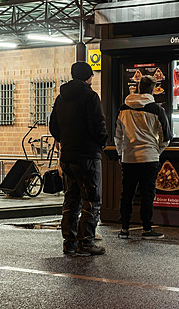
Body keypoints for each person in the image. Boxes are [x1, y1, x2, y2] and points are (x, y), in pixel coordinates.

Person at [49, 62, 108, 256]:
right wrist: (100, 144)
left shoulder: (61, 98)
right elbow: (98, 125)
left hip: (67, 156)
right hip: (88, 155)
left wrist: (64, 141)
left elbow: (53, 126)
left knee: (71, 199)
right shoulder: (90, 96)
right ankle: (86, 242)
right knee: (91, 200)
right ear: (88, 77)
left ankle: (69, 242)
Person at [115, 75, 172, 239]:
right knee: (147, 194)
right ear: (152, 90)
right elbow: (166, 137)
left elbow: (117, 136)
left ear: (138, 87)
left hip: (129, 158)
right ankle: (147, 228)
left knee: (127, 194)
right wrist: (156, 150)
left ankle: (124, 229)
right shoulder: (157, 109)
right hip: (149, 157)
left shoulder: (123, 108)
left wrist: (120, 153)